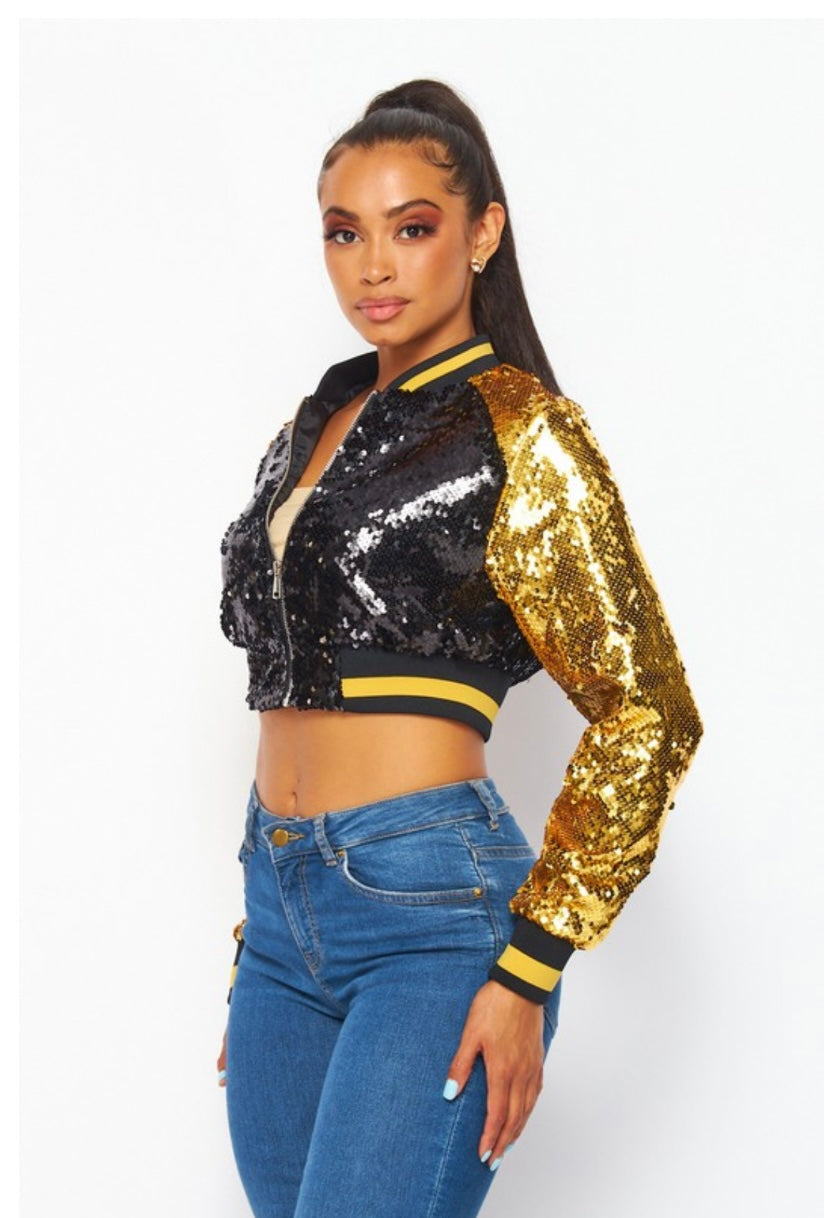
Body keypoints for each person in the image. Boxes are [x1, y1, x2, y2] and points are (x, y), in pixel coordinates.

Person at [214, 78, 703, 1218]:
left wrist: (529, 968)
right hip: (278, 919)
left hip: (431, 916)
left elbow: (649, 709)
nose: (373, 266)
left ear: (482, 233)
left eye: (413, 227)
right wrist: (267, 928)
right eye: (344, 233)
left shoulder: (522, 430)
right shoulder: (309, 425)